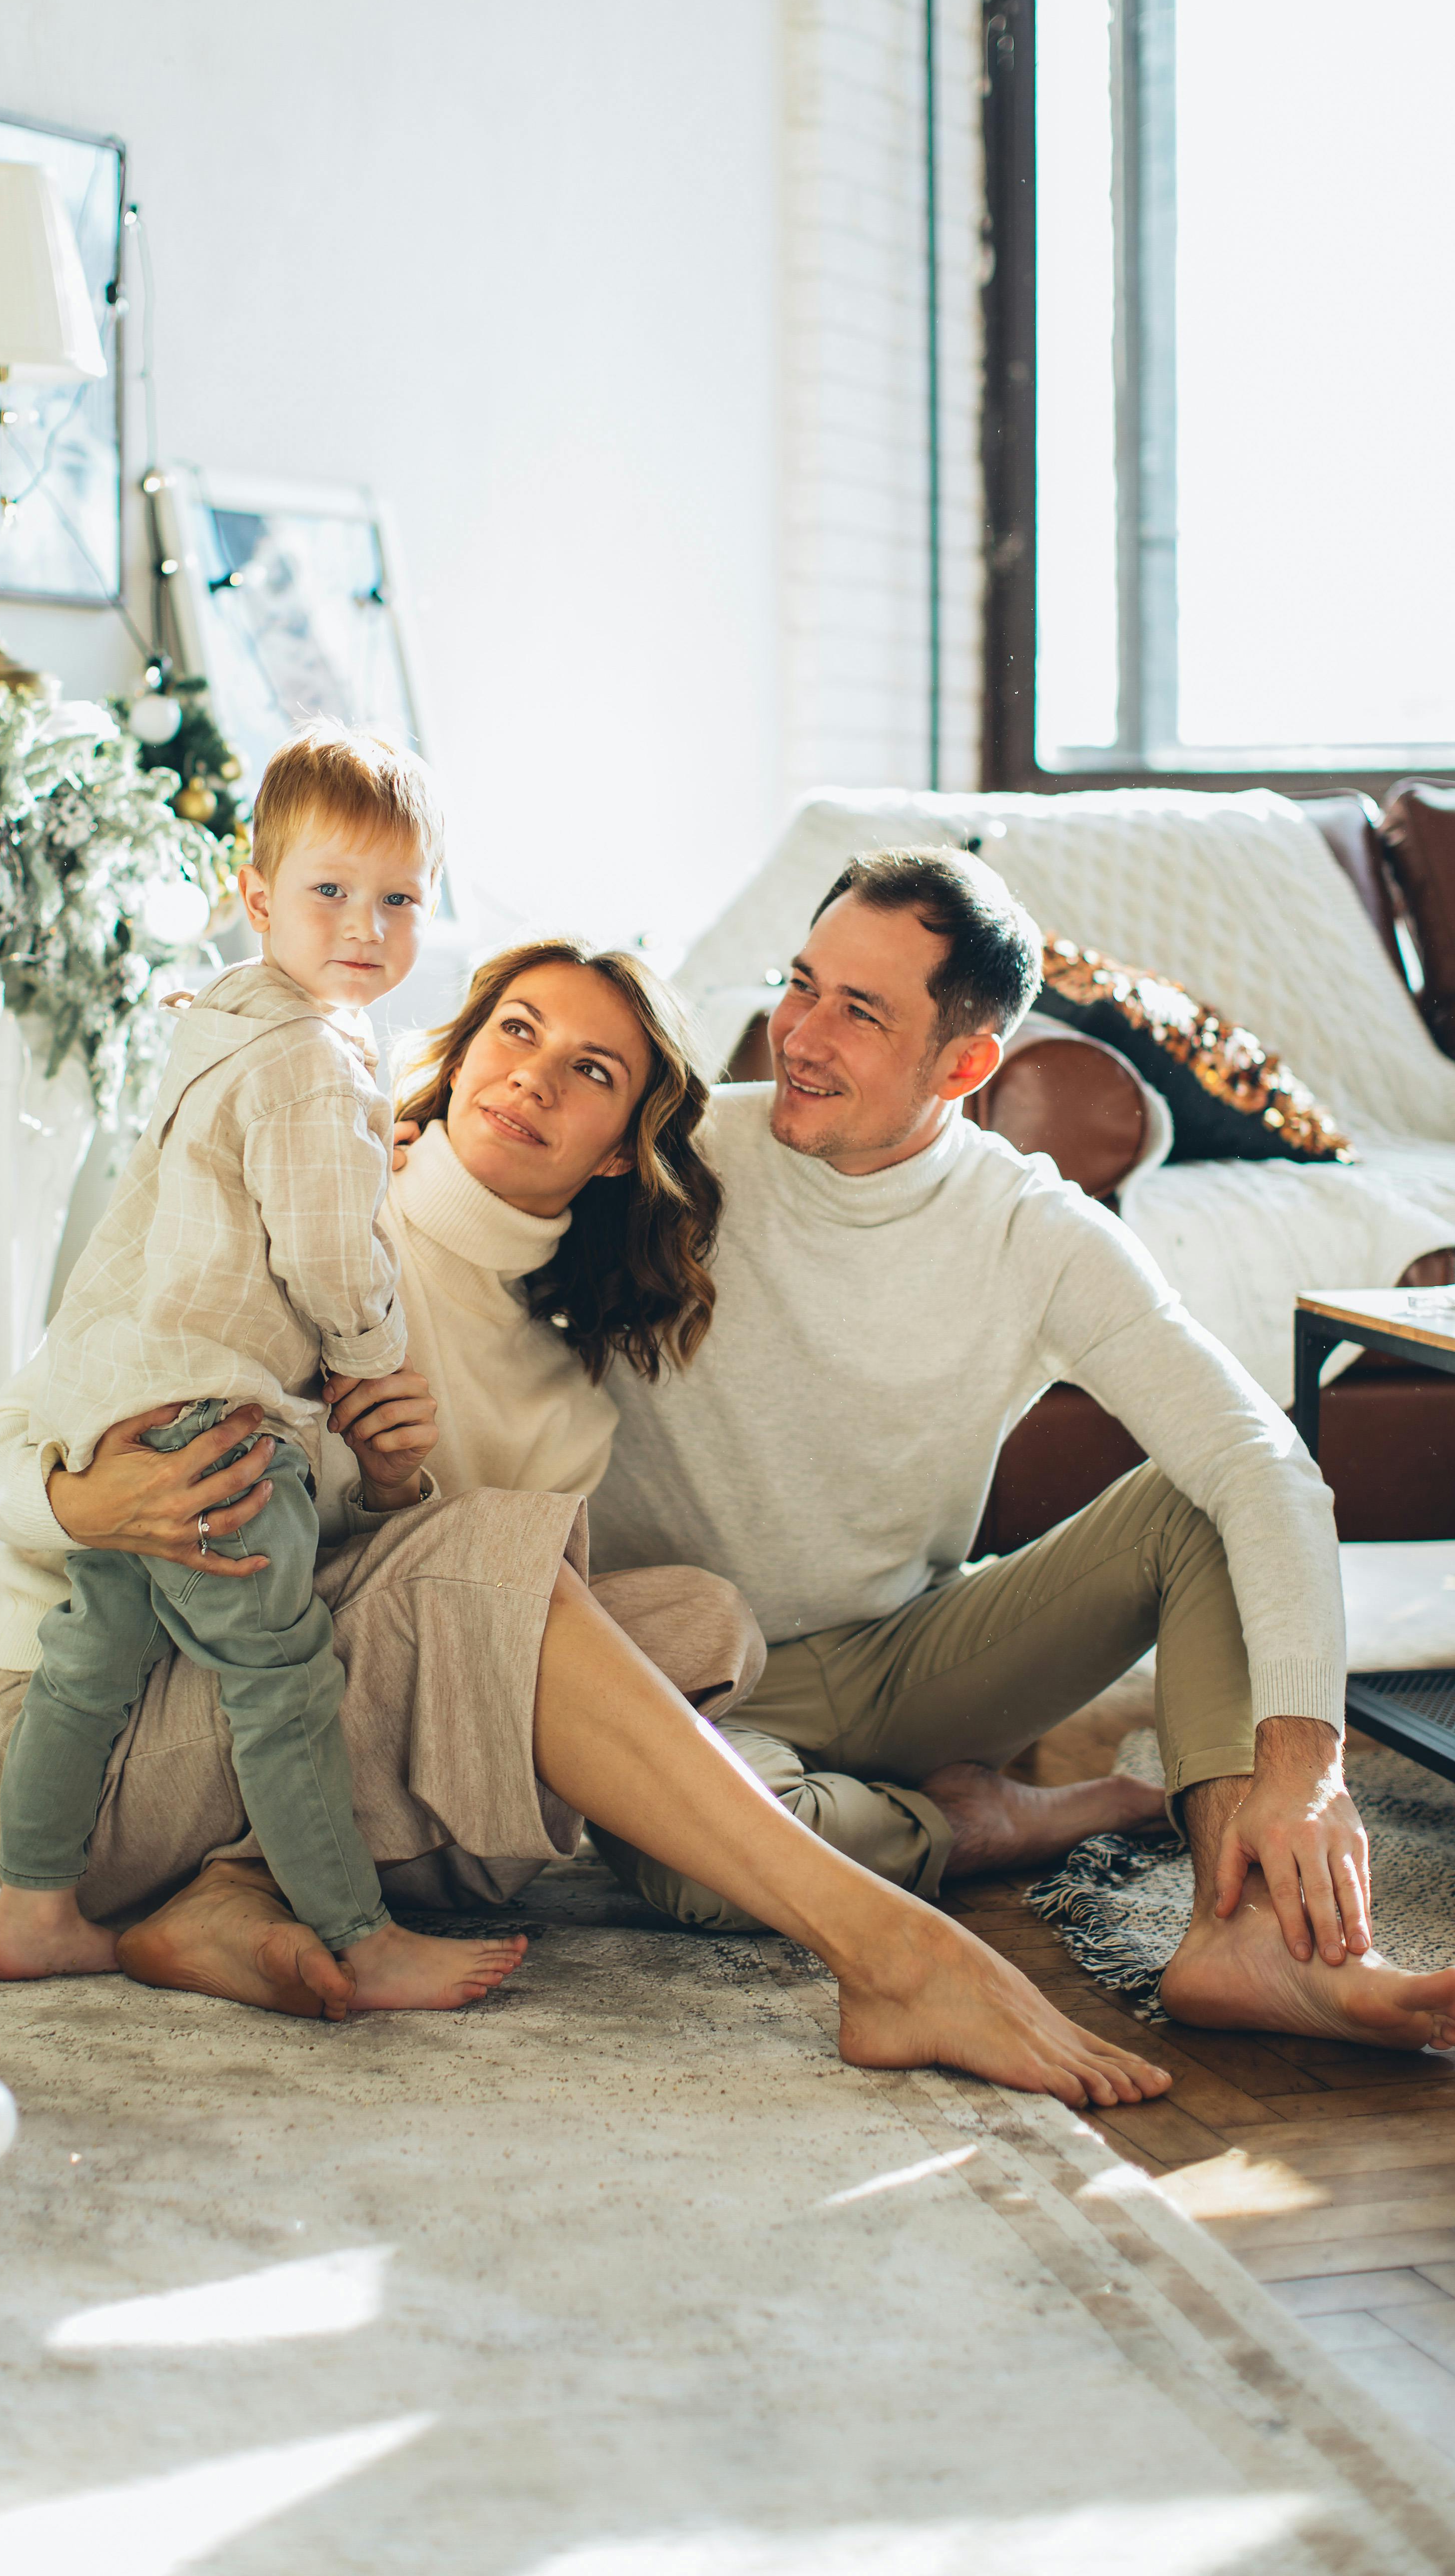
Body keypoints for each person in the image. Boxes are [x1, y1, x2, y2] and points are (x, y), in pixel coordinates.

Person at [0, 935, 1171, 2108]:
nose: (534, 1076)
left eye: (591, 1072)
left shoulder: (563, 1401)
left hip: (284, 1741)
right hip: (90, 1754)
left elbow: (403, 1624)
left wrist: (389, 1494)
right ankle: (893, 1953)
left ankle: (236, 1898)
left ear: (615, 1154)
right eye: (517, 1032)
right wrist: (82, 1501)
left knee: (698, 1624)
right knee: (494, 1561)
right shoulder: (305, 1205)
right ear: (463, 1051)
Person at [590, 845, 1455, 2058]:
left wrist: (1306, 1765)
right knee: (706, 1878)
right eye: (801, 983)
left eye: (860, 1011)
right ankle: (984, 1826)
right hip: (693, 1675)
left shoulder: (1035, 1229)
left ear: (968, 1063)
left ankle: (1243, 1932)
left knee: (1197, 1504)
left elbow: (1264, 1463)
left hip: (912, 1654)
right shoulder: (674, 1154)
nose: (800, 1033)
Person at [0, 723, 523, 2013]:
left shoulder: (222, 1017)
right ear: (256, 893)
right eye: (331, 892)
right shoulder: (317, 1063)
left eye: (398, 900)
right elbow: (333, 1256)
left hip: (120, 1402)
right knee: (281, 1683)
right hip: (219, 1419)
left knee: (93, 1655)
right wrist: (372, 1365)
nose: (364, 927)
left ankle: (31, 1905)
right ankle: (354, 1932)